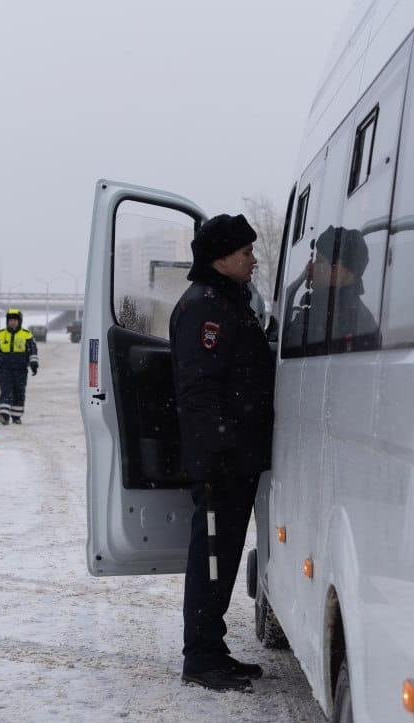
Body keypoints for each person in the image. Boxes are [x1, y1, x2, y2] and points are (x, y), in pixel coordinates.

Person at [169, 213, 275, 692]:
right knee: (210, 555)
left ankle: (214, 647)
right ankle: (201, 657)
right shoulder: (204, 307)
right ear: (221, 257)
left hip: (238, 454)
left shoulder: (231, 301)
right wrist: (215, 449)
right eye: (246, 252)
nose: (253, 260)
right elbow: (198, 389)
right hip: (222, 458)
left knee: (225, 554)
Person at [281, 225, 381, 354]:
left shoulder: (338, 318)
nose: (310, 267)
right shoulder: (332, 309)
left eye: (319, 261)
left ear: (343, 272)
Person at [0, 308, 38, 425]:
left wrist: (34, 364)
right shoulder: (0, 334)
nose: (12, 322)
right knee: (6, 391)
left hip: (21, 369)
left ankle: (16, 416)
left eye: (15, 320)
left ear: (20, 321)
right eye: (10, 320)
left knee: (19, 391)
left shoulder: (27, 335)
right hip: (5, 369)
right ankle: (4, 415)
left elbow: (33, 351)